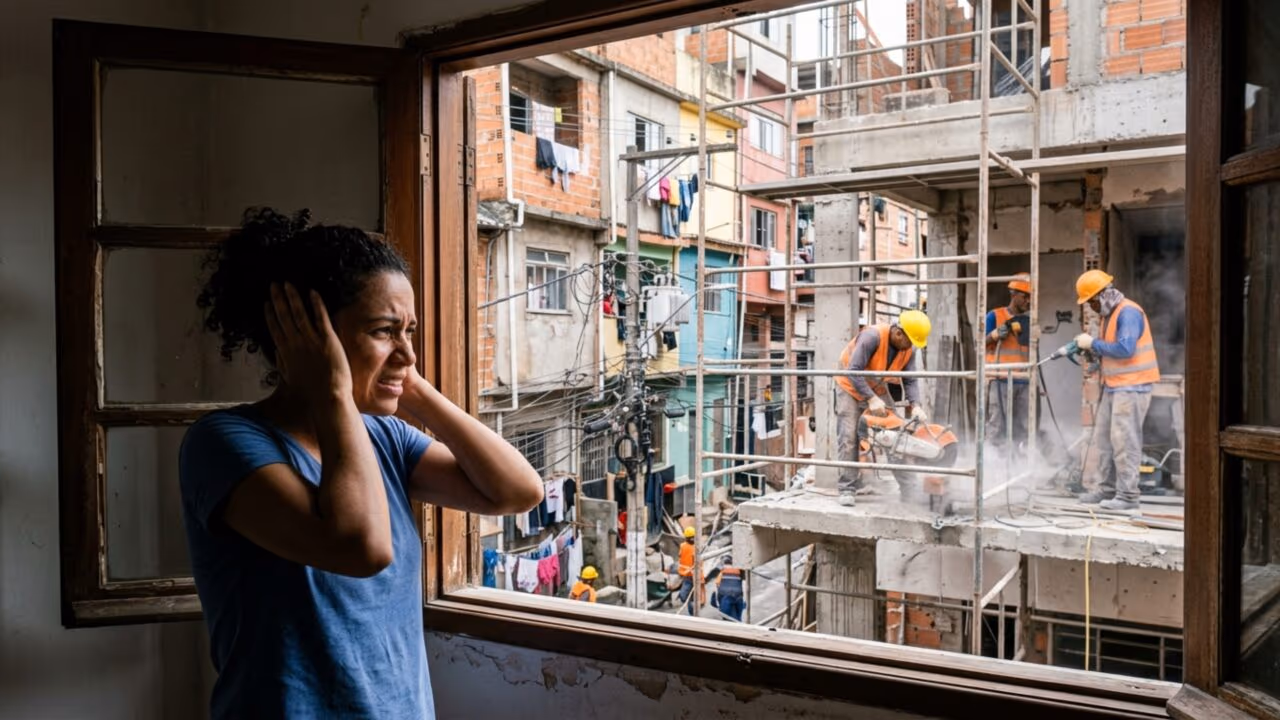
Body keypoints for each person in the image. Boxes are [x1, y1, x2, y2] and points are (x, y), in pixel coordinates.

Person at [179, 208, 544, 719]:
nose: (407, 352)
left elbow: (518, 491)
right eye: (384, 331)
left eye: (409, 331)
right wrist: (332, 390)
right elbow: (362, 548)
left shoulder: (384, 437)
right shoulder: (224, 444)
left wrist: (411, 388)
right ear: (308, 336)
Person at [1073, 269, 1160, 511]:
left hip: (1133, 386)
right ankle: (1108, 489)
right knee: (1104, 440)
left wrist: (1092, 343)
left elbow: (1125, 349)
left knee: (1125, 441)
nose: (1091, 307)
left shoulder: (1128, 312)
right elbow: (1111, 350)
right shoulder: (1109, 314)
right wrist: (1095, 358)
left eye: (1091, 301)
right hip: (1114, 386)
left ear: (1102, 295)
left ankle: (1128, 496)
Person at [834, 310, 931, 507]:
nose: (911, 346)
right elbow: (853, 370)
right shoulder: (872, 337)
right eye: (910, 341)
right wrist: (871, 399)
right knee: (849, 437)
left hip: (876, 386)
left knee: (896, 435)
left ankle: (909, 489)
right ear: (898, 333)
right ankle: (847, 488)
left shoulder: (909, 349)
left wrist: (916, 405)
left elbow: (910, 379)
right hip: (849, 385)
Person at [985, 273, 1033, 454]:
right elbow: (978, 344)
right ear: (1013, 294)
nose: (1029, 301)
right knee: (997, 424)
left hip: (1024, 380)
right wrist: (994, 335)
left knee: (1023, 426)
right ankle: (992, 461)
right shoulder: (994, 316)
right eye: (1025, 296)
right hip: (1000, 379)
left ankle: (1018, 461)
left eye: (1031, 297)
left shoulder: (1029, 321)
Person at [710, 556, 746, 621]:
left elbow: (713, 586)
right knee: (738, 618)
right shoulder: (739, 569)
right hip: (738, 597)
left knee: (725, 616)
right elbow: (745, 578)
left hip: (725, 596)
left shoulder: (720, 570)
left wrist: (713, 602)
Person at [675, 525, 698, 615]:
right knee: (688, 595)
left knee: (685, 596)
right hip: (688, 574)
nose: (692, 539)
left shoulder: (684, 546)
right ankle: (692, 609)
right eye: (691, 538)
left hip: (689, 575)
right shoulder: (695, 547)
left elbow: (680, 556)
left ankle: (692, 611)